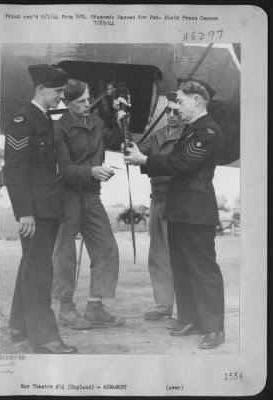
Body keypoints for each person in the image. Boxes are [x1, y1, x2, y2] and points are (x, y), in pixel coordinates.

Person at [124, 79, 225, 349]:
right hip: (180, 207)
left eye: (180, 101)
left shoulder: (209, 131)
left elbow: (183, 163)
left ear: (197, 100)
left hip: (196, 209)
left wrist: (146, 161)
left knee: (203, 268)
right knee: (180, 267)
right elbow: (173, 160)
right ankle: (191, 319)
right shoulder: (191, 131)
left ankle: (214, 327)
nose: (177, 107)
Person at [3, 64, 77, 354]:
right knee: (39, 272)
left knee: (30, 266)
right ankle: (44, 338)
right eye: (58, 91)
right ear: (41, 89)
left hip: (46, 207)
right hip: (35, 211)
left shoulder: (43, 118)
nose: (61, 97)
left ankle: (20, 326)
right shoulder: (23, 120)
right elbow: (14, 170)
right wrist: (25, 212)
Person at [52, 79, 126, 329]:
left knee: (107, 248)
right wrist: (91, 171)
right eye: (80, 101)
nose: (86, 105)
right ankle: (66, 308)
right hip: (67, 196)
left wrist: (120, 117)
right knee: (65, 254)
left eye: (87, 99)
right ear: (67, 103)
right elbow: (64, 170)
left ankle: (95, 307)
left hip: (92, 196)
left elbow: (115, 141)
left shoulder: (96, 122)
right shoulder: (59, 128)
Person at [138, 92, 183, 326]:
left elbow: (173, 166)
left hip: (176, 201)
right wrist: (121, 122)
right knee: (157, 256)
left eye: (176, 111)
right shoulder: (156, 136)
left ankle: (182, 310)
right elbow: (134, 151)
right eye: (168, 111)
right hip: (157, 200)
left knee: (177, 256)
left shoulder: (186, 136)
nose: (172, 115)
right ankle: (164, 306)